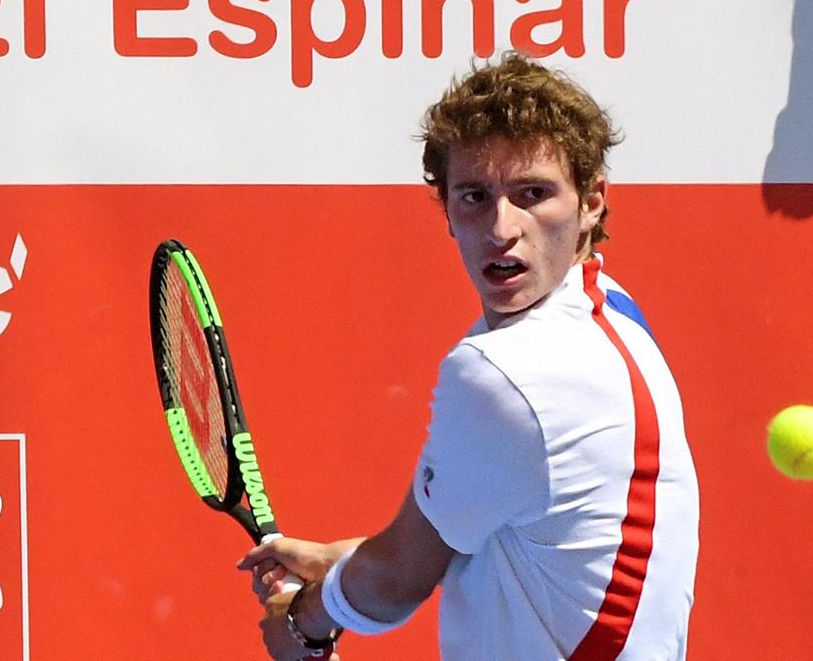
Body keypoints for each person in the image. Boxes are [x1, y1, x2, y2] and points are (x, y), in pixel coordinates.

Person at [238, 52, 700, 661]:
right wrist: (338, 563)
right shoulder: (613, 310)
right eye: (475, 196)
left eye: (533, 193)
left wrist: (305, 621)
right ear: (448, 213)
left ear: (592, 201)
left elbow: (399, 580)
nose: (501, 226)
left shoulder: (507, 373)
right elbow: (479, 537)